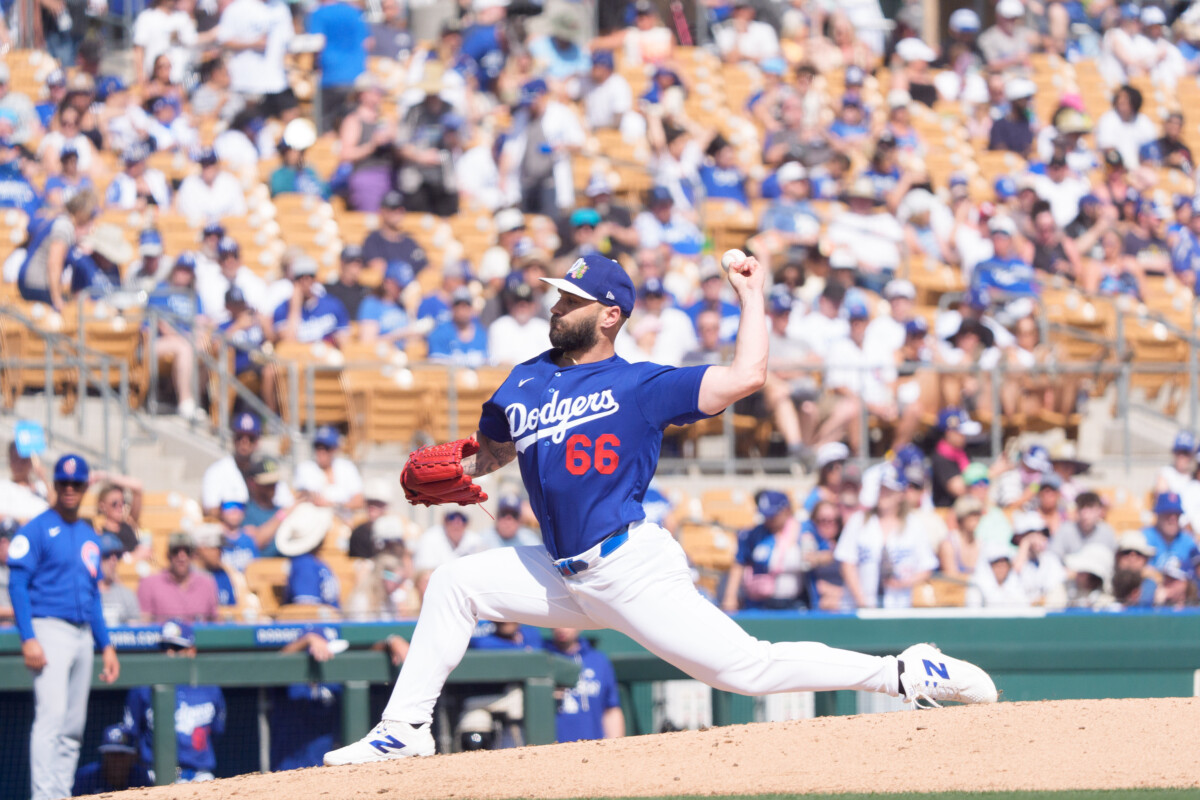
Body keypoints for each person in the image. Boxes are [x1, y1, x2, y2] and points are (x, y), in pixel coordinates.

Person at [323, 252, 997, 765]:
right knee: (453, 583)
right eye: (559, 295)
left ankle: (902, 672)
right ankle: (403, 729)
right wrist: (460, 466)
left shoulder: (640, 386)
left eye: (573, 300)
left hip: (627, 568)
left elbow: (747, 377)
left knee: (748, 670)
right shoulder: (523, 379)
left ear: (610, 314)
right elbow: (497, 453)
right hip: (561, 574)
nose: (558, 306)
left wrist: (752, 295)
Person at [9, 454, 120, 800]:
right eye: (63, 482)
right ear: (55, 484)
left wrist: (107, 645)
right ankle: (44, 796)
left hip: (82, 633)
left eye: (76, 483)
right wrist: (28, 637)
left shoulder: (89, 535)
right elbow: (17, 585)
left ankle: (59, 793)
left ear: (86, 486)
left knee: (72, 727)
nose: (69, 489)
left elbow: (93, 597)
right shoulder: (38, 528)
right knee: (51, 719)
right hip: (49, 628)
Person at [124, 621, 225, 783]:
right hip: (154, 776)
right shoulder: (142, 687)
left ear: (191, 651)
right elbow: (132, 735)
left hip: (199, 775)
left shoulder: (210, 688)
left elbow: (217, 732)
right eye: (164, 647)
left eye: (176, 648)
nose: (169, 654)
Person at [722, 491, 809, 612]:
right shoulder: (753, 535)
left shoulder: (803, 531)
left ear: (786, 510)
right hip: (760, 603)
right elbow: (739, 563)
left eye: (773, 515)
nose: (769, 519)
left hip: (795, 602)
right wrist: (730, 597)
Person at [17, 189, 99, 310]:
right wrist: (56, 298)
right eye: (90, 215)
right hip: (38, 283)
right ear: (82, 212)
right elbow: (54, 262)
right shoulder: (64, 226)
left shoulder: (60, 220)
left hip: (31, 281)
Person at [545, 628, 625, 742]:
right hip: (551, 747)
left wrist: (616, 745)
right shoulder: (542, 658)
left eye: (568, 621)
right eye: (556, 622)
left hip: (593, 745)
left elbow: (611, 709)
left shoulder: (599, 660)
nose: (562, 627)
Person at [137, 532, 220, 623]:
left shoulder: (207, 583)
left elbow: (215, 623)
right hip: (163, 636)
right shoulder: (149, 584)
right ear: (168, 555)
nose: (181, 556)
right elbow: (144, 627)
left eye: (187, 551)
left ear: (193, 555)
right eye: (176, 551)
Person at [294, 426, 364, 514]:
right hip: (315, 518)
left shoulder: (347, 467)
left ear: (334, 449)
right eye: (318, 447)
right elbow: (300, 496)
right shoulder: (305, 468)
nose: (321, 451)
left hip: (343, 519)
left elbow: (359, 501)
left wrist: (332, 505)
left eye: (326, 447)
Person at [71, 724, 152, 795]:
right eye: (111, 754)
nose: (116, 760)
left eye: (121, 754)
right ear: (104, 755)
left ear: (132, 756)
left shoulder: (140, 777)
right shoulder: (86, 778)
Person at [98, 533, 142, 627]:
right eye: (107, 555)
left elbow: (134, 632)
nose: (113, 561)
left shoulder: (127, 594)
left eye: (117, 556)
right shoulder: (85, 593)